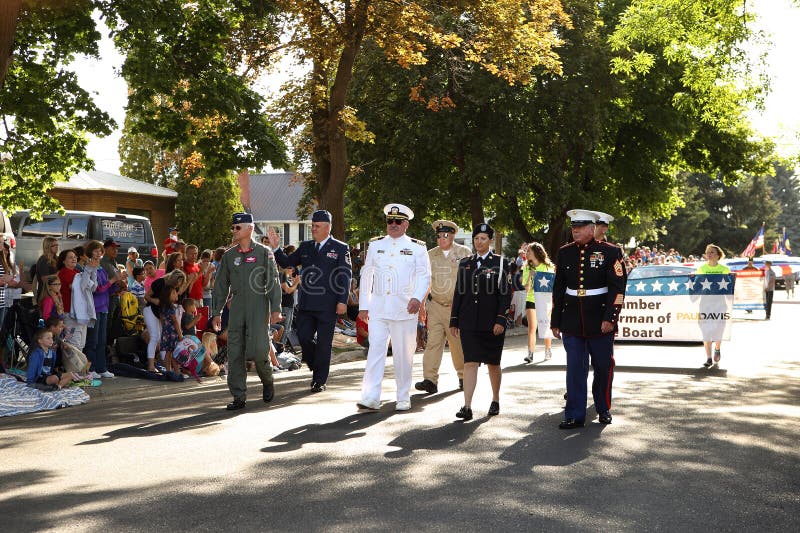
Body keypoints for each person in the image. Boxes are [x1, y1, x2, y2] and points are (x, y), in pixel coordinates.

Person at [551, 209, 627, 429]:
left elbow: (618, 287)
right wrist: (556, 321)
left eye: (580, 227)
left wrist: (611, 318)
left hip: (600, 319)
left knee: (603, 366)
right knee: (575, 368)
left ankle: (603, 407)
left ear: (592, 229)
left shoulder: (610, 252)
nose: (575, 231)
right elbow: (559, 289)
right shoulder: (564, 253)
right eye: (573, 227)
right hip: (572, 320)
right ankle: (574, 414)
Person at [356, 203, 431, 412]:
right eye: (390, 221)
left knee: (403, 355)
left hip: (404, 309)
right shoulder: (375, 245)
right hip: (379, 309)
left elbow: (425, 276)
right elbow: (367, 275)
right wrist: (364, 305)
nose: (393, 225)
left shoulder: (417, 247)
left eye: (398, 221)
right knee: (375, 352)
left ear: (406, 224)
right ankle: (370, 396)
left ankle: (403, 396)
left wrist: (417, 298)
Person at [268, 209, 352, 393]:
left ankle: (319, 380)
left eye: (317, 226)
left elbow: (345, 276)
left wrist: (342, 300)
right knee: (304, 338)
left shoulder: (340, 248)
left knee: (324, 343)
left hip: (328, 305)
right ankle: (316, 363)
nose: (313, 229)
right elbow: (287, 262)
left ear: (328, 227)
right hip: (306, 304)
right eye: (312, 225)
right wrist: (276, 248)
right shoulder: (306, 247)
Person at [212, 213, 282, 411]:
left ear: (249, 229)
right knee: (235, 352)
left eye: (237, 228)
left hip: (259, 307)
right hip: (237, 309)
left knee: (260, 351)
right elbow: (220, 285)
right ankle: (238, 396)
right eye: (233, 228)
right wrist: (216, 311)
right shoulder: (229, 256)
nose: (233, 231)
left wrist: (276, 308)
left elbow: (273, 281)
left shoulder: (264, 252)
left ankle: (267, 380)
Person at [448, 224, 512, 420]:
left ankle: (495, 399)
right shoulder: (465, 263)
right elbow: (459, 291)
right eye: (476, 238)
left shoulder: (501, 263)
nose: (479, 242)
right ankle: (467, 406)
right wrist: (454, 320)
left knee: (493, 364)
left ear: (490, 240)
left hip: (492, 322)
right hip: (469, 322)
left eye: (483, 238)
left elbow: (505, 294)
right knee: (470, 363)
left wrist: (501, 319)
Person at [414, 220, 471, 395]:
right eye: (438, 236)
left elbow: (469, 282)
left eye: (444, 235)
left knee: (457, 343)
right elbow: (425, 281)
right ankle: (430, 380)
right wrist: (422, 305)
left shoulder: (464, 252)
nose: (440, 239)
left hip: (457, 307)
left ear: (453, 235)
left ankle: (463, 376)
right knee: (433, 343)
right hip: (436, 305)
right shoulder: (430, 255)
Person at [696, 244, 730, 367]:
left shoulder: (724, 269)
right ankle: (709, 358)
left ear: (718, 255)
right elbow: (696, 286)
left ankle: (717, 348)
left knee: (718, 330)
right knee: (705, 331)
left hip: (720, 304)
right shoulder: (701, 269)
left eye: (712, 252)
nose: (709, 254)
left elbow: (729, 287)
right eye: (708, 252)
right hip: (705, 304)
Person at [522, 242, 555, 363]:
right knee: (532, 327)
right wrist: (531, 276)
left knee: (545, 325)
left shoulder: (548, 266)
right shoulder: (526, 267)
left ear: (536, 252)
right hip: (531, 299)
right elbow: (527, 288)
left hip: (545, 300)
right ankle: (530, 353)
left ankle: (548, 349)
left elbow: (552, 285)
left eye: (529, 251)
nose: (526, 253)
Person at [159, 284, 182, 373]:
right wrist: (180, 334)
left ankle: (168, 370)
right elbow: (175, 322)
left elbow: (162, 320)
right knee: (174, 353)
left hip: (165, 332)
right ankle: (177, 371)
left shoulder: (162, 307)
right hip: (172, 332)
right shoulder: (171, 307)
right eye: (173, 293)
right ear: (167, 296)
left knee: (168, 353)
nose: (176, 294)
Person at [34, 236, 60, 303]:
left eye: (57, 245)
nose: (56, 247)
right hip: (45, 294)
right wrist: (57, 274)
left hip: (55, 293)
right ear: (47, 247)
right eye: (54, 245)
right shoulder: (43, 260)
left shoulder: (56, 258)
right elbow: (44, 278)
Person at [279, 266, 299, 332]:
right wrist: (296, 283)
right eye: (290, 268)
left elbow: (294, 288)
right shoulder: (281, 276)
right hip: (284, 306)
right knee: (284, 328)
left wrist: (295, 282)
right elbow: (288, 290)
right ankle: (282, 342)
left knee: (288, 329)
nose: (292, 270)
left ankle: (284, 342)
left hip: (290, 305)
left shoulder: (288, 278)